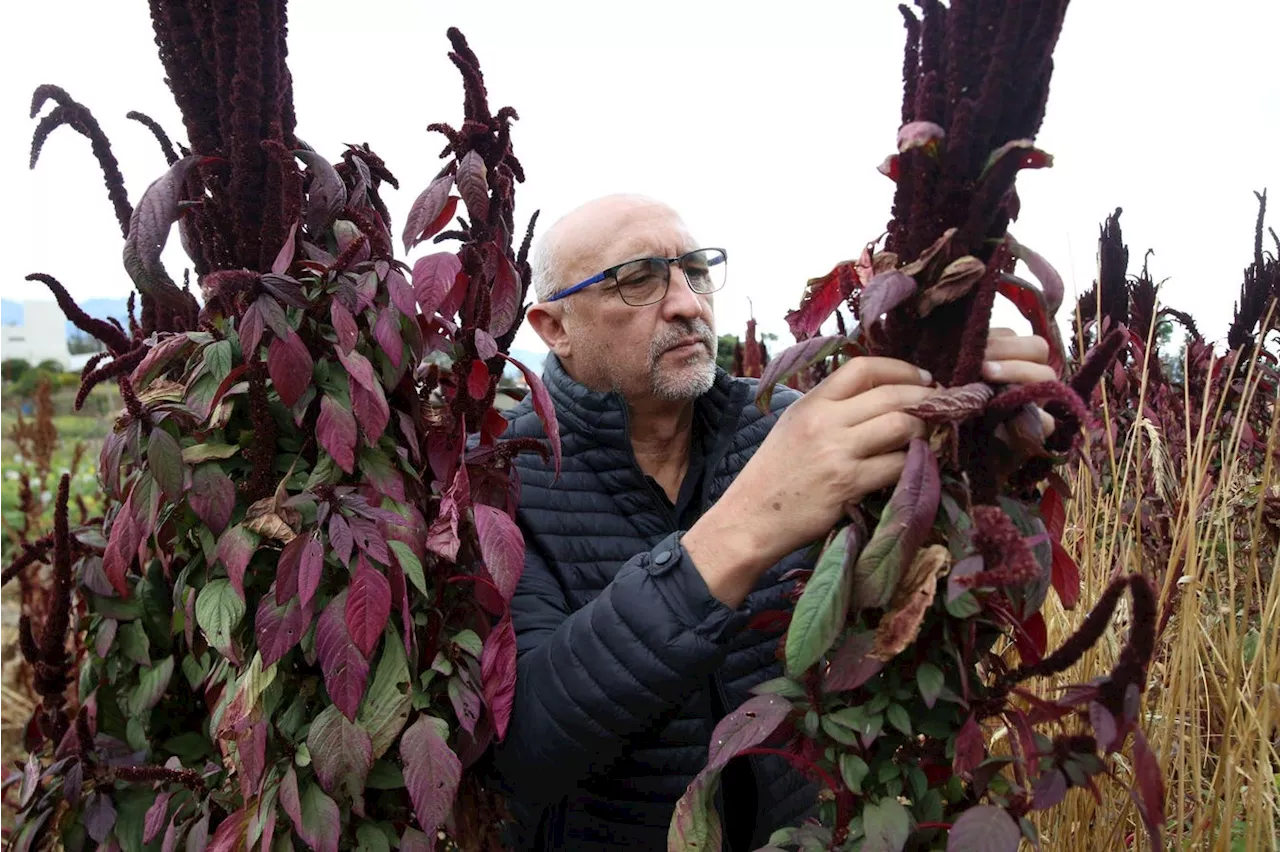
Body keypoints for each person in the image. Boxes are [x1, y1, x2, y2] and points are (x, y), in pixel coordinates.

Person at [488, 194, 1055, 850]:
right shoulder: (505, 477)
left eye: (695, 271)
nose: (686, 303)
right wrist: (744, 529)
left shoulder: (792, 429)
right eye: (639, 279)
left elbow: (943, 637)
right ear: (553, 326)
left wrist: (989, 484)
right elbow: (522, 746)